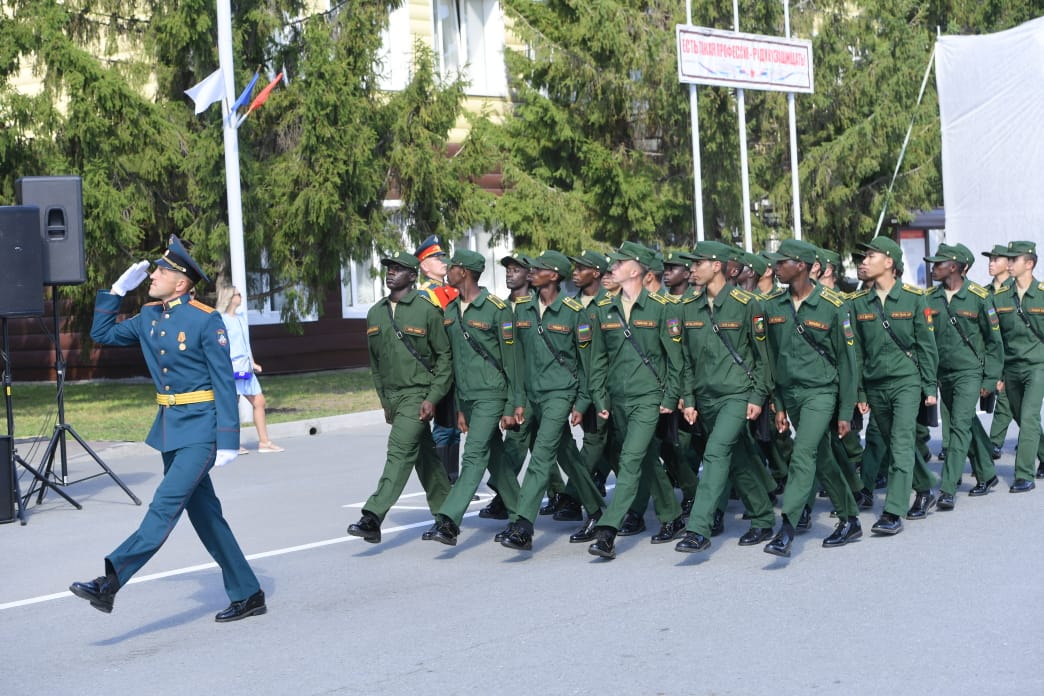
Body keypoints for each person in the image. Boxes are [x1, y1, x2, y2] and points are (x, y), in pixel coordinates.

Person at [70, 235, 266, 622]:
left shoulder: (204, 319)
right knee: (207, 517)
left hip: (201, 431)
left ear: (182, 282)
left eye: (162, 271)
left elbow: (223, 379)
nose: (153, 276)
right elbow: (102, 335)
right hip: (170, 430)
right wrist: (114, 292)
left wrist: (228, 438)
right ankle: (249, 593)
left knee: (164, 507)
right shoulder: (149, 317)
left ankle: (110, 581)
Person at [582, 242, 687, 559]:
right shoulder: (605, 310)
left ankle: (607, 531)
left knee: (629, 460)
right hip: (617, 399)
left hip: (647, 398)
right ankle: (671, 516)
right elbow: (598, 360)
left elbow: (675, 360)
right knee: (644, 458)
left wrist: (670, 396)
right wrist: (600, 397)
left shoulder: (660, 308)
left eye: (619, 262)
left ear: (636, 269)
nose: (612, 267)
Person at [499, 250, 608, 552]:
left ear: (555, 276)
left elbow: (588, 363)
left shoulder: (574, 312)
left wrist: (582, 401)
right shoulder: (522, 310)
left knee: (542, 455)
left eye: (539, 268)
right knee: (568, 456)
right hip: (531, 395)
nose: (531, 271)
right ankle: (599, 512)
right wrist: (517, 400)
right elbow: (517, 361)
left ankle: (522, 525)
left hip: (560, 394)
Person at [761, 239, 862, 557]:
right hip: (791, 394)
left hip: (821, 393)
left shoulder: (833, 305)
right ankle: (850, 519)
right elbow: (772, 358)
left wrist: (845, 410)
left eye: (783, 262)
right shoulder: (774, 305)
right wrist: (777, 403)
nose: (777, 267)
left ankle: (786, 529)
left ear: (802, 265)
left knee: (802, 453)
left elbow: (848, 362)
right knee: (822, 458)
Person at [674, 241, 777, 555]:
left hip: (737, 394)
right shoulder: (688, 306)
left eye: (698, 263)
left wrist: (759, 396)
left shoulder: (747, 304)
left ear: (716, 265)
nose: (692, 269)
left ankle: (699, 529)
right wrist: (688, 399)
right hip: (706, 398)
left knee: (716, 454)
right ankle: (762, 516)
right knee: (738, 459)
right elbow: (686, 360)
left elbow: (763, 358)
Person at [347, 251, 452, 543]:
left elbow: (444, 359)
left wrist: (434, 396)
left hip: (419, 394)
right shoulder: (376, 313)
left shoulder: (426, 309)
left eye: (398, 269)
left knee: (399, 451)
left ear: (412, 276)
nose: (391, 272)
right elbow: (376, 363)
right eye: (389, 268)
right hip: (394, 397)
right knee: (425, 457)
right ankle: (447, 517)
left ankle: (372, 516)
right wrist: (385, 402)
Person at [422, 249, 524, 545]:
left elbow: (512, 361)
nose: (448, 270)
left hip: (492, 394)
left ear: (464, 272)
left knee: (474, 454)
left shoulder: (496, 309)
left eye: (451, 267)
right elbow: (454, 362)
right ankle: (521, 517)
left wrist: (514, 404)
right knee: (496, 457)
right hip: (467, 397)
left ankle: (449, 521)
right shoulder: (452, 310)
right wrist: (459, 408)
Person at [848, 236, 939, 535]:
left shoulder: (914, 298)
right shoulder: (859, 303)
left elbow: (926, 347)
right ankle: (925, 486)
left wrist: (929, 387)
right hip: (875, 384)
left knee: (900, 443)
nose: (864, 261)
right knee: (896, 442)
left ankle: (893, 511)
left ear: (889, 262)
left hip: (906, 382)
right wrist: (860, 391)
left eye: (870, 256)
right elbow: (857, 353)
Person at [923, 243, 1003, 507]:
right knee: (966, 423)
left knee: (958, 426)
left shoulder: (979, 297)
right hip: (942, 374)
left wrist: (990, 379)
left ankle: (947, 488)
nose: (933, 268)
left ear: (955, 267)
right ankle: (988, 474)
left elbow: (994, 343)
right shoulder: (929, 299)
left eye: (939, 264)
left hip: (969, 372)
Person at [991, 241, 1044, 492]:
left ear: (1029, 264)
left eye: (1014, 260)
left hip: (1038, 365)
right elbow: (996, 339)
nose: (1009, 264)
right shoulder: (1000, 296)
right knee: (1021, 416)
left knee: (1030, 415)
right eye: (1008, 260)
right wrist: (997, 373)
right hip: (1011, 367)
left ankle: (1024, 475)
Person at [414, 235, 462, 484]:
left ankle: (453, 478)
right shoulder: (424, 295)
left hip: (460, 367)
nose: (443, 261)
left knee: (456, 428)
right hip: (442, 368)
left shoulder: (453, 290)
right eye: (436, 258)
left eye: (443, 256)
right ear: (424, 265)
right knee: (444, 428)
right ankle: (443, 482)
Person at [217, 286, 284, 454]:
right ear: (230, 298)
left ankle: (264, 442)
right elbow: (220, 346)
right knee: (232, 406)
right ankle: (231, 444)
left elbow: (246, 344)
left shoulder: (241, 318)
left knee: (259, 402)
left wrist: (253, 362)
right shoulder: (221, 320)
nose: (241, 297)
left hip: (245, 368)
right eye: (238, 294)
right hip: (231, 368)